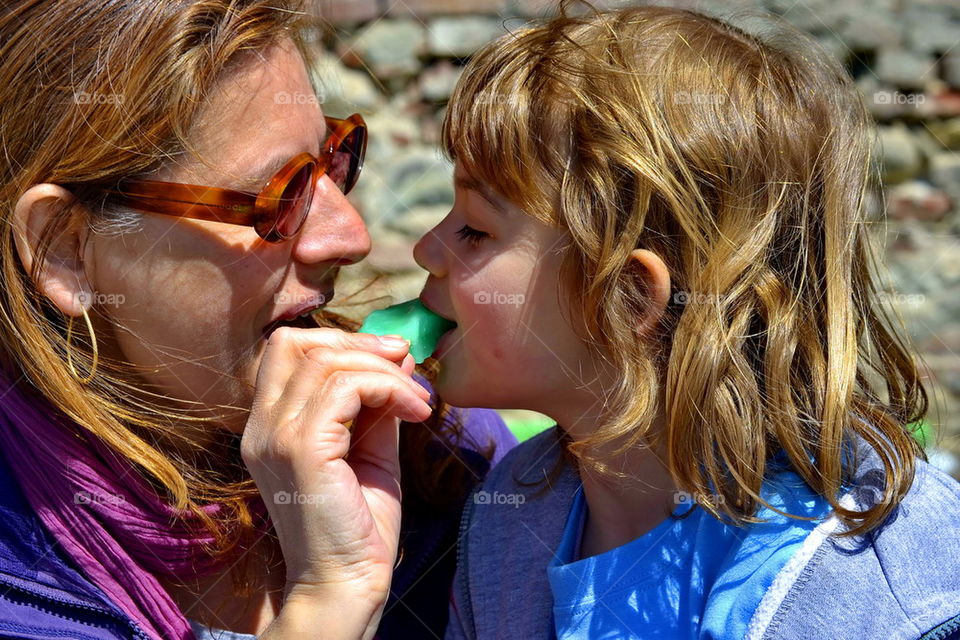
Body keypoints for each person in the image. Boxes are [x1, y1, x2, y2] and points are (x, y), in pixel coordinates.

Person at [409, 4, 960, 639]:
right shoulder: (509, 515)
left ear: (627, 295)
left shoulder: (889, 590)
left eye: (475, 230)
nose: (427, 250)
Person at [0, 1, 514, 639]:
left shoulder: (448, 450)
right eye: (279, 195)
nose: (349, 236)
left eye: (333, 159)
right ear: (67, 250)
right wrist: (328, 600)